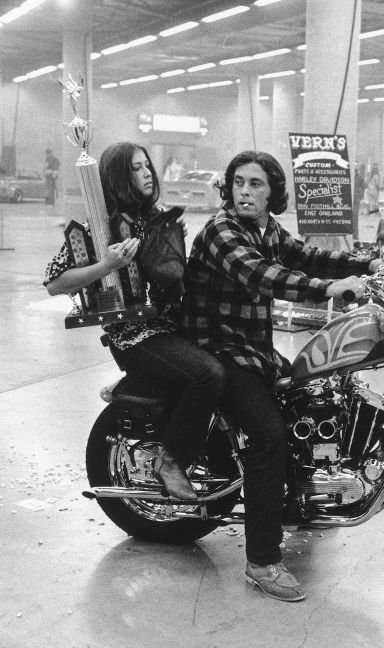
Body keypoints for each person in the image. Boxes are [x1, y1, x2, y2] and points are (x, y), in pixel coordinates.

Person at [182, 150, 384, 602]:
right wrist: (329, 289)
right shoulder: (221, 231)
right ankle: (261, 561)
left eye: (256, 184)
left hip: (252, 348)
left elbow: (306, 255)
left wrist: (366, 264)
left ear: (273, 193)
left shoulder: (267, 229)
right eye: (239, 182)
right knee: (269, 436)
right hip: (219, 348)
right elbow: (265, 276)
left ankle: (301, 500)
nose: (244, 191)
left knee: (314, 397)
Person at [43, 142, 224, 499]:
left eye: (147, 166)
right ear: (118, 178)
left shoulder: (155, 218)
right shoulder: (100, 227)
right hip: (136, 335)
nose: (146, 174)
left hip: (171, 325)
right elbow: (53, 281)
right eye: (136, 169)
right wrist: (107, 265)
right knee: (208, 374)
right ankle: (170, 461)